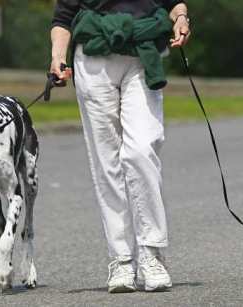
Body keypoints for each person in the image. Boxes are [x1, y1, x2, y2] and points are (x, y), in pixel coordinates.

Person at [50, 0, 190, 293]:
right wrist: (57, 58)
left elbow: (173, 2)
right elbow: (63, 16)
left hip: (142, 54)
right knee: (107, 164)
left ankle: (151, 253)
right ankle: (122, 259)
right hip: (93, 58)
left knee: (141, 150)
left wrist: (181, 18)